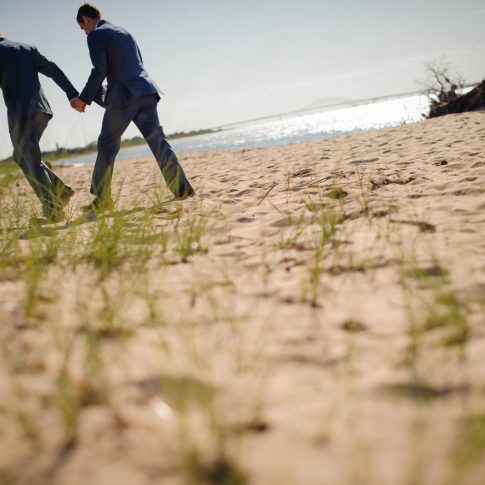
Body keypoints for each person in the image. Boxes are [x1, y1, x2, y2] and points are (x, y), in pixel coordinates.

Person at [71, 3, 195, 211]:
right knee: (158, 141)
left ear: (85, 19)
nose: (84, 32)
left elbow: (99, 69)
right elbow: (136, 64)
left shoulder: (95, 35)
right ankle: (182, 189)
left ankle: (102, 200)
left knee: (107, 144)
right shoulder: (125, 32)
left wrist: (83, 99)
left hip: (124, 97)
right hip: (146, 91)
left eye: (82, 28)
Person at [0, 33, 77, 221]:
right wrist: (72, 93)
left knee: (30, 160)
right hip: (42, 111)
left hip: (21, 114)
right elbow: (54, 70)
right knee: (23, 157)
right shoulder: (28, 49)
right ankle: (61, 191)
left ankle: (53, 209)